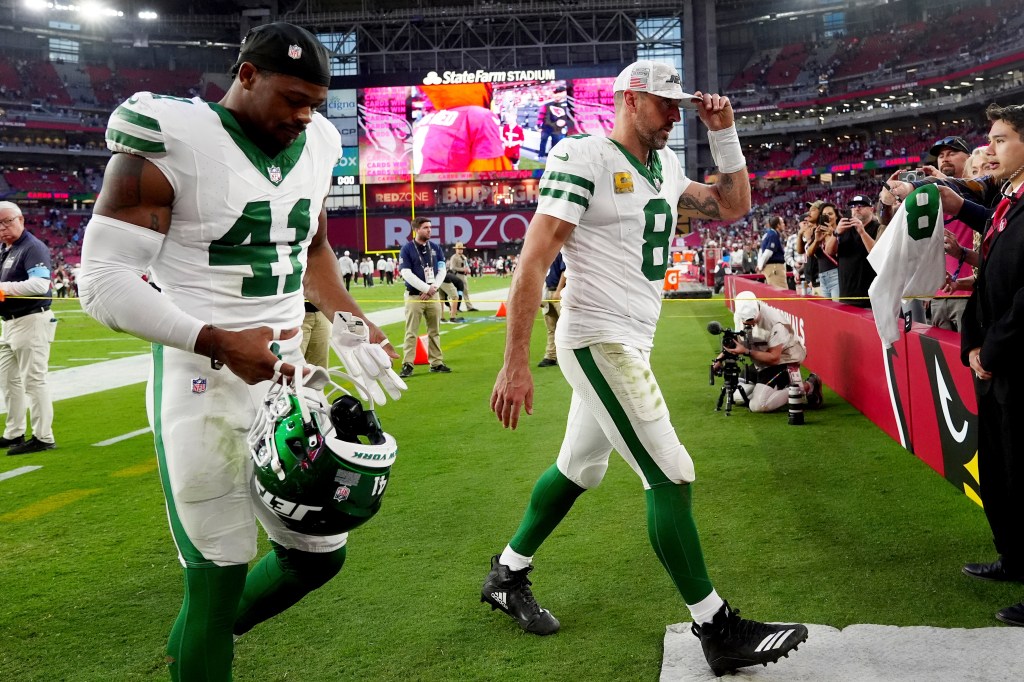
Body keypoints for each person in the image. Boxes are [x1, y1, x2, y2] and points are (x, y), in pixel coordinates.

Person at [76, 23, 402, 680]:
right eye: (291, 98)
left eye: (315, 101)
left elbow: (311, 248)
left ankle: (196, 645)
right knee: (218, 569)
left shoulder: (317, 141)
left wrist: (348, 317)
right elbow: (101, 282)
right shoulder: (174, 137)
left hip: (286, 379)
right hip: (201, 377)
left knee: (319, 554)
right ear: (245, 77)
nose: (304, 115)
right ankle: (204, 643)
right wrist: (222, 342)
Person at [483, 60, 807, 677]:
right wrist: (516, 363)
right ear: (630, 101)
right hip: (598, 338)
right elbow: (531, 262)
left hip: (631, 337)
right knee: (672, 474)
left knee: (580, 468)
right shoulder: (585, 156)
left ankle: (508, 573)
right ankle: (717, 627)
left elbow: (731, 206)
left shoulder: (666, 165)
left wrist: (724, 133)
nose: (675, 114)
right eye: (665, 104)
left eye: (679, 105)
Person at [959, 103, 1024, 627]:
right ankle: (1015, 558)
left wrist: (993, 350)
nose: (990, 149)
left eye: (1001, 139)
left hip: (1016, 361)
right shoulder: (1008, 199)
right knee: (1001, 470)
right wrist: (974, 347)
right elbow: (988, 283)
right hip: (997, 363)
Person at [0, 201, 57, 455]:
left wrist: (5, 290)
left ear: (21, 219)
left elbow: (40, 285)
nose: (3, 228)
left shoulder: (32, 247)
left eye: (7, 221)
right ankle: (14, 433)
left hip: (31, 320)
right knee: (8, 381)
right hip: (9, 323)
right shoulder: (7, 249)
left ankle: (43, 437)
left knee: (34, 381)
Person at [716, 291, 822, 412]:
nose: (749, 324)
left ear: (757, 308)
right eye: (746, 321)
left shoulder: (775, 322)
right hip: (760, 361)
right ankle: (769, 389)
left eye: (752, 319)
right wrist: (720, 359)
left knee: (759, 405)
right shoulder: (739, 316)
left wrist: (746, 351)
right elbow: (737, 341)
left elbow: (774, 358)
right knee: (738, 397)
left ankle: (809, 385)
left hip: (783, 360)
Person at [398, 217, 451, 377]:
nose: (429, 230)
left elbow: (442, 269)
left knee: (434, 331)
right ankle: (408, 364)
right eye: (425, 227)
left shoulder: (435, 247)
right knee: (411, 332)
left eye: (430, 227)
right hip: (415, 297)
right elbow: (406, 273)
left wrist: (432, 289)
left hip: (432, 296)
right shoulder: (407, 249)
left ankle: (436, 362)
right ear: (416, 230)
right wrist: (427, 288)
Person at [823, 195, 880, 308]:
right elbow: (829, 251)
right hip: (846, 294)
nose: (856, 208)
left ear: (871, 209)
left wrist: (862, 232)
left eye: (861, 205)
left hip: (869, 296)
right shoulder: (844, 228)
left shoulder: (878, 228)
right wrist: (836, 233)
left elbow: (877, 254)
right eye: (853, 206)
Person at [805, 202, 840, 300]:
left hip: (836, 275)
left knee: (837, 311)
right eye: (824, 215)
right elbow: (809, 253)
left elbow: (833, 251)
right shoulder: (818, 231)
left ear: (836, 216)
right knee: (828, 312)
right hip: (822, 277)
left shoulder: (840, 231)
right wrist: (816, 241)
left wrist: (832, 233)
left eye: (830, 214)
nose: (827, 217)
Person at [537, 252, 565, 368]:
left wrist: (559, 290)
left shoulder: (562, 251)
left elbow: (565, 271)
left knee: (566, 326)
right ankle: (551, 356)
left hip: (560, 292)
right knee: (551, 327)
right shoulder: (546, 251)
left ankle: (569, 357)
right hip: (547, 291)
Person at [536, 85, 569, 160]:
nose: (557, 95)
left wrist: (565, 122)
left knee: (556, 145)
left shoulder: (568, 105)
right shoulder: (547, 104)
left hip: (558, 129)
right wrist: (539, 126)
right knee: (543, 142)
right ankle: (540, 156)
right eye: (556, 93)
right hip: (546, 128)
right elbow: (541, 115)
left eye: (559, 92)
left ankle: (552, 158)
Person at [756, 215, 787, 288]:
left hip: (771, 268)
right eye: (782, 223)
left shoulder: (768, 234)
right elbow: (768, 252)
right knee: (781, 292)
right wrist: (760, 266)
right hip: (774, 268)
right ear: (778, 225)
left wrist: (759, 264)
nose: (784, 224)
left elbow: (761, 251)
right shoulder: (773, 235)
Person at [447, 241, 478, 311]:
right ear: (456, 249)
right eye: (459, 248)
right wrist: (462, 269)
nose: (460, 250)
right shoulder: (454, 257)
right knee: (457, 292)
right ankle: (455, 307)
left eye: (461, 248)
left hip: (464, 276)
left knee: (466, 291)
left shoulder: (464, 257)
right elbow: (452, 267)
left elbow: (466, 265)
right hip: (457, 275)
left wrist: (468, 269)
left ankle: (469, 307)